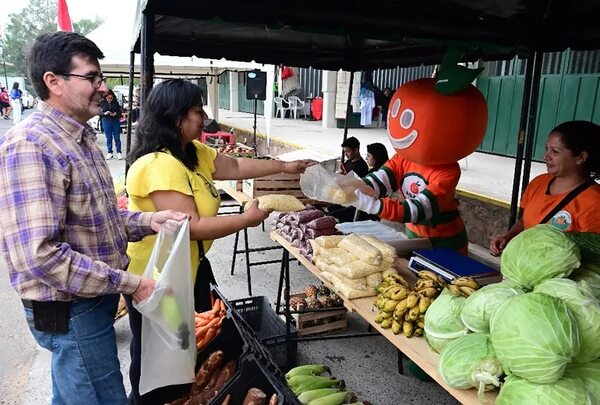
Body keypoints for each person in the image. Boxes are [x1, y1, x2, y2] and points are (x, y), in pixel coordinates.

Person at [0, 31, 189, 405]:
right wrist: (130, 282)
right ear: (53, 82)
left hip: (91, 303)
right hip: (71, 312)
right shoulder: (32, 145)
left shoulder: (80, 138)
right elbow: (40, 256)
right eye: (92, 77)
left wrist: (146, 222)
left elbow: (95, 221)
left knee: (75, 394)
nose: (103, 87)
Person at [125, 79, 316, 404]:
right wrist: (246, 219)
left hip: (191, 270)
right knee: (159, 356)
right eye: (198, 111)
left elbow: (237, 165)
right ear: (176, 117)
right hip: (158, 281)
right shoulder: (158, 166)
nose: (204, 117)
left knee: (191, 348)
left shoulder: (191, 152)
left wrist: (286, 166)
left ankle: (187, 397)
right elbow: (194, 226)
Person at [490, 120, 600, 256]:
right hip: (523, 265)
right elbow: (524, 220)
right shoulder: (538, 183)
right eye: (546, 149)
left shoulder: (594, 202)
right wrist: (508, 237)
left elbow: (592, 255)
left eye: (554, 152)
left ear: (581, 157)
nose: (546, 156)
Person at [328, 142, 390, 223]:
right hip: (360, 202)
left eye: (368, 156)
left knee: (333, 215)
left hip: (370, 209)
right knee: (331, 208)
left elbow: (366, 191)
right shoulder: (372, 170)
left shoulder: (380, 174)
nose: (366, 158)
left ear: (376, 157)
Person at [100, 89, 123, 159]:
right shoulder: (102, 103)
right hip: (106, 120)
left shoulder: (115, 103)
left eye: (111, 98)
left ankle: (119, 152)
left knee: (117, 137)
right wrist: (104, 113)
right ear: (106, 97)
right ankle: (110, 152)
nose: (110, 100)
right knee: (108, 137)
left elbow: (120, 113)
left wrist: (116, 113)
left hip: (115, 120)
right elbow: (98, 112)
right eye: (109, 98)